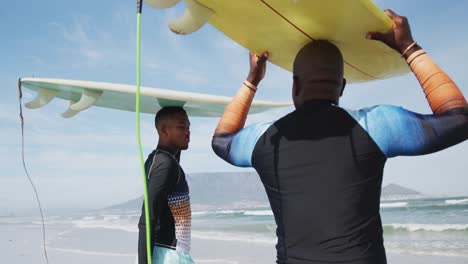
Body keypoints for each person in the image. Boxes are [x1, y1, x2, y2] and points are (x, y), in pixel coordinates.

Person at [212, 9, 468, 264]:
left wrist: (252, 81)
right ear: (342, 87)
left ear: (296, 85)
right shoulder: (376, 125)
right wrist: (410, 48)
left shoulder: (266, 139)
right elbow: (459, 120)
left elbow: (222, 140)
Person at [138, 106, 194, 264]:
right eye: (181, 127)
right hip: (167, 256)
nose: (187, 132)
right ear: (164, 130)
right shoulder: (165, 165)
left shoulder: (160, 160)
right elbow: (148, 218)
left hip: (165, 253)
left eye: (189, 127)